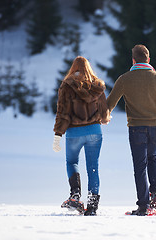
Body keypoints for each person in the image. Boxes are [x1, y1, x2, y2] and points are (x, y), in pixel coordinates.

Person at [107, 44, 156, 216]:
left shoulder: (125, 79)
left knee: (140, 166)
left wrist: (102, 117)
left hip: (137, 128)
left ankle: (143, 206)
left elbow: (110, 103)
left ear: (133, 60)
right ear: (148, 59)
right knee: (152, 158)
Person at [52, 56, 110, 216]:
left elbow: (62, 113)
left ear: (73, 68)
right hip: (94, 132)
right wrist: (103, 119)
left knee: (72, 162)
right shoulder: (97, 86)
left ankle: (75, 195)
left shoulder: (66, 86)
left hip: (74, 132)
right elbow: (105, 114)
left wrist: (58, 134)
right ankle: (92, 206)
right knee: (93, 167)